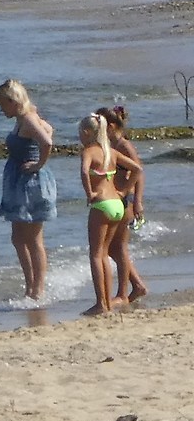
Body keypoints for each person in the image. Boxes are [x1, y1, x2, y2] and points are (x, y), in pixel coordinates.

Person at [0, 79, 58, 302]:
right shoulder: (25, 118)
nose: (1, 110)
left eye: (2, 105)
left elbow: (47, 142)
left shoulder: (29, 118)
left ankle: (37, 290)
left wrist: (38, 164)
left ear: (13, 101)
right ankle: (29, 286)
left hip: (31, 184)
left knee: (33, 239)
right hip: (19, 183)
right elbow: (49, 129)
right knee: (18, 238)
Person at [79, 113, 132, 314]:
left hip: (101, 204)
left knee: (96, 254)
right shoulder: (110, 152)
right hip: (117, 204)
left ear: (86, 132)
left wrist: (89, 193)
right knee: (104, 254)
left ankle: (101, 303)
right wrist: (124, 191)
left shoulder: (89, 152)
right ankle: (107, 302)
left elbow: (84, 171)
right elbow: (137, 169)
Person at [97, 105, 149, 306]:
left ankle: (123, 292)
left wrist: (136, 200)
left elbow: (139, 172)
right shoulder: (110, 144)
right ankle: (137, 285)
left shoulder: (123, 145)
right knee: (113, 248)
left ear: (110, 127)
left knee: (118, 247)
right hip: (115, 198)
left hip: (125, 200)